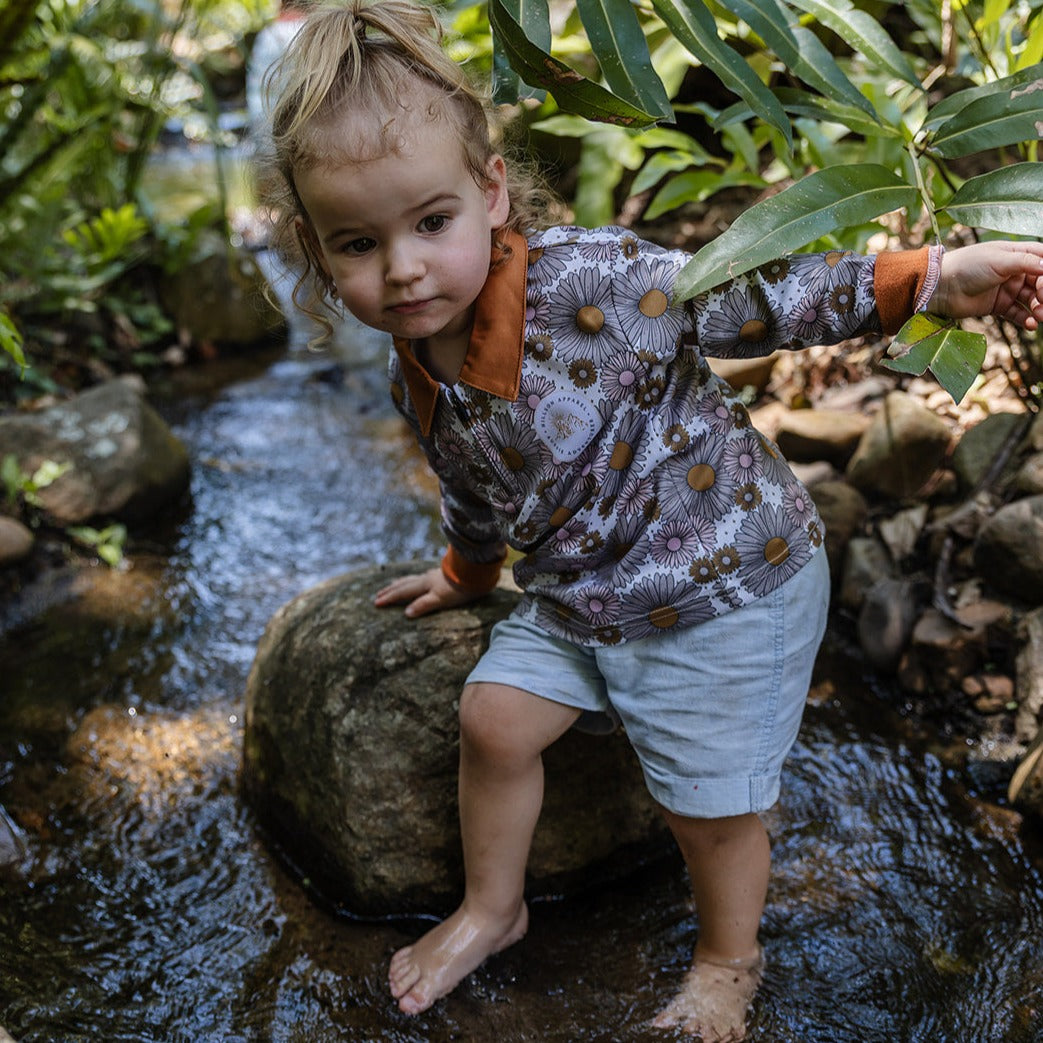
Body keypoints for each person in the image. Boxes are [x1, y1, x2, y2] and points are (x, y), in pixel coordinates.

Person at [259, 2, 1043, 1038]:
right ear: (314, 247)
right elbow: (473, 477)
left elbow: (757, 297)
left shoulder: (588, 282)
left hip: (722, 577)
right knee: (492, 718)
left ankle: (729, 956)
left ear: (491, 192)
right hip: (588, 588)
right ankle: (494, 909)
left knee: (707, 807)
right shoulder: (416, 357)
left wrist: (930, 278)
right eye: (359, 243)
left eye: (430, 222)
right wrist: (465, 568)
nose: (401, 267)